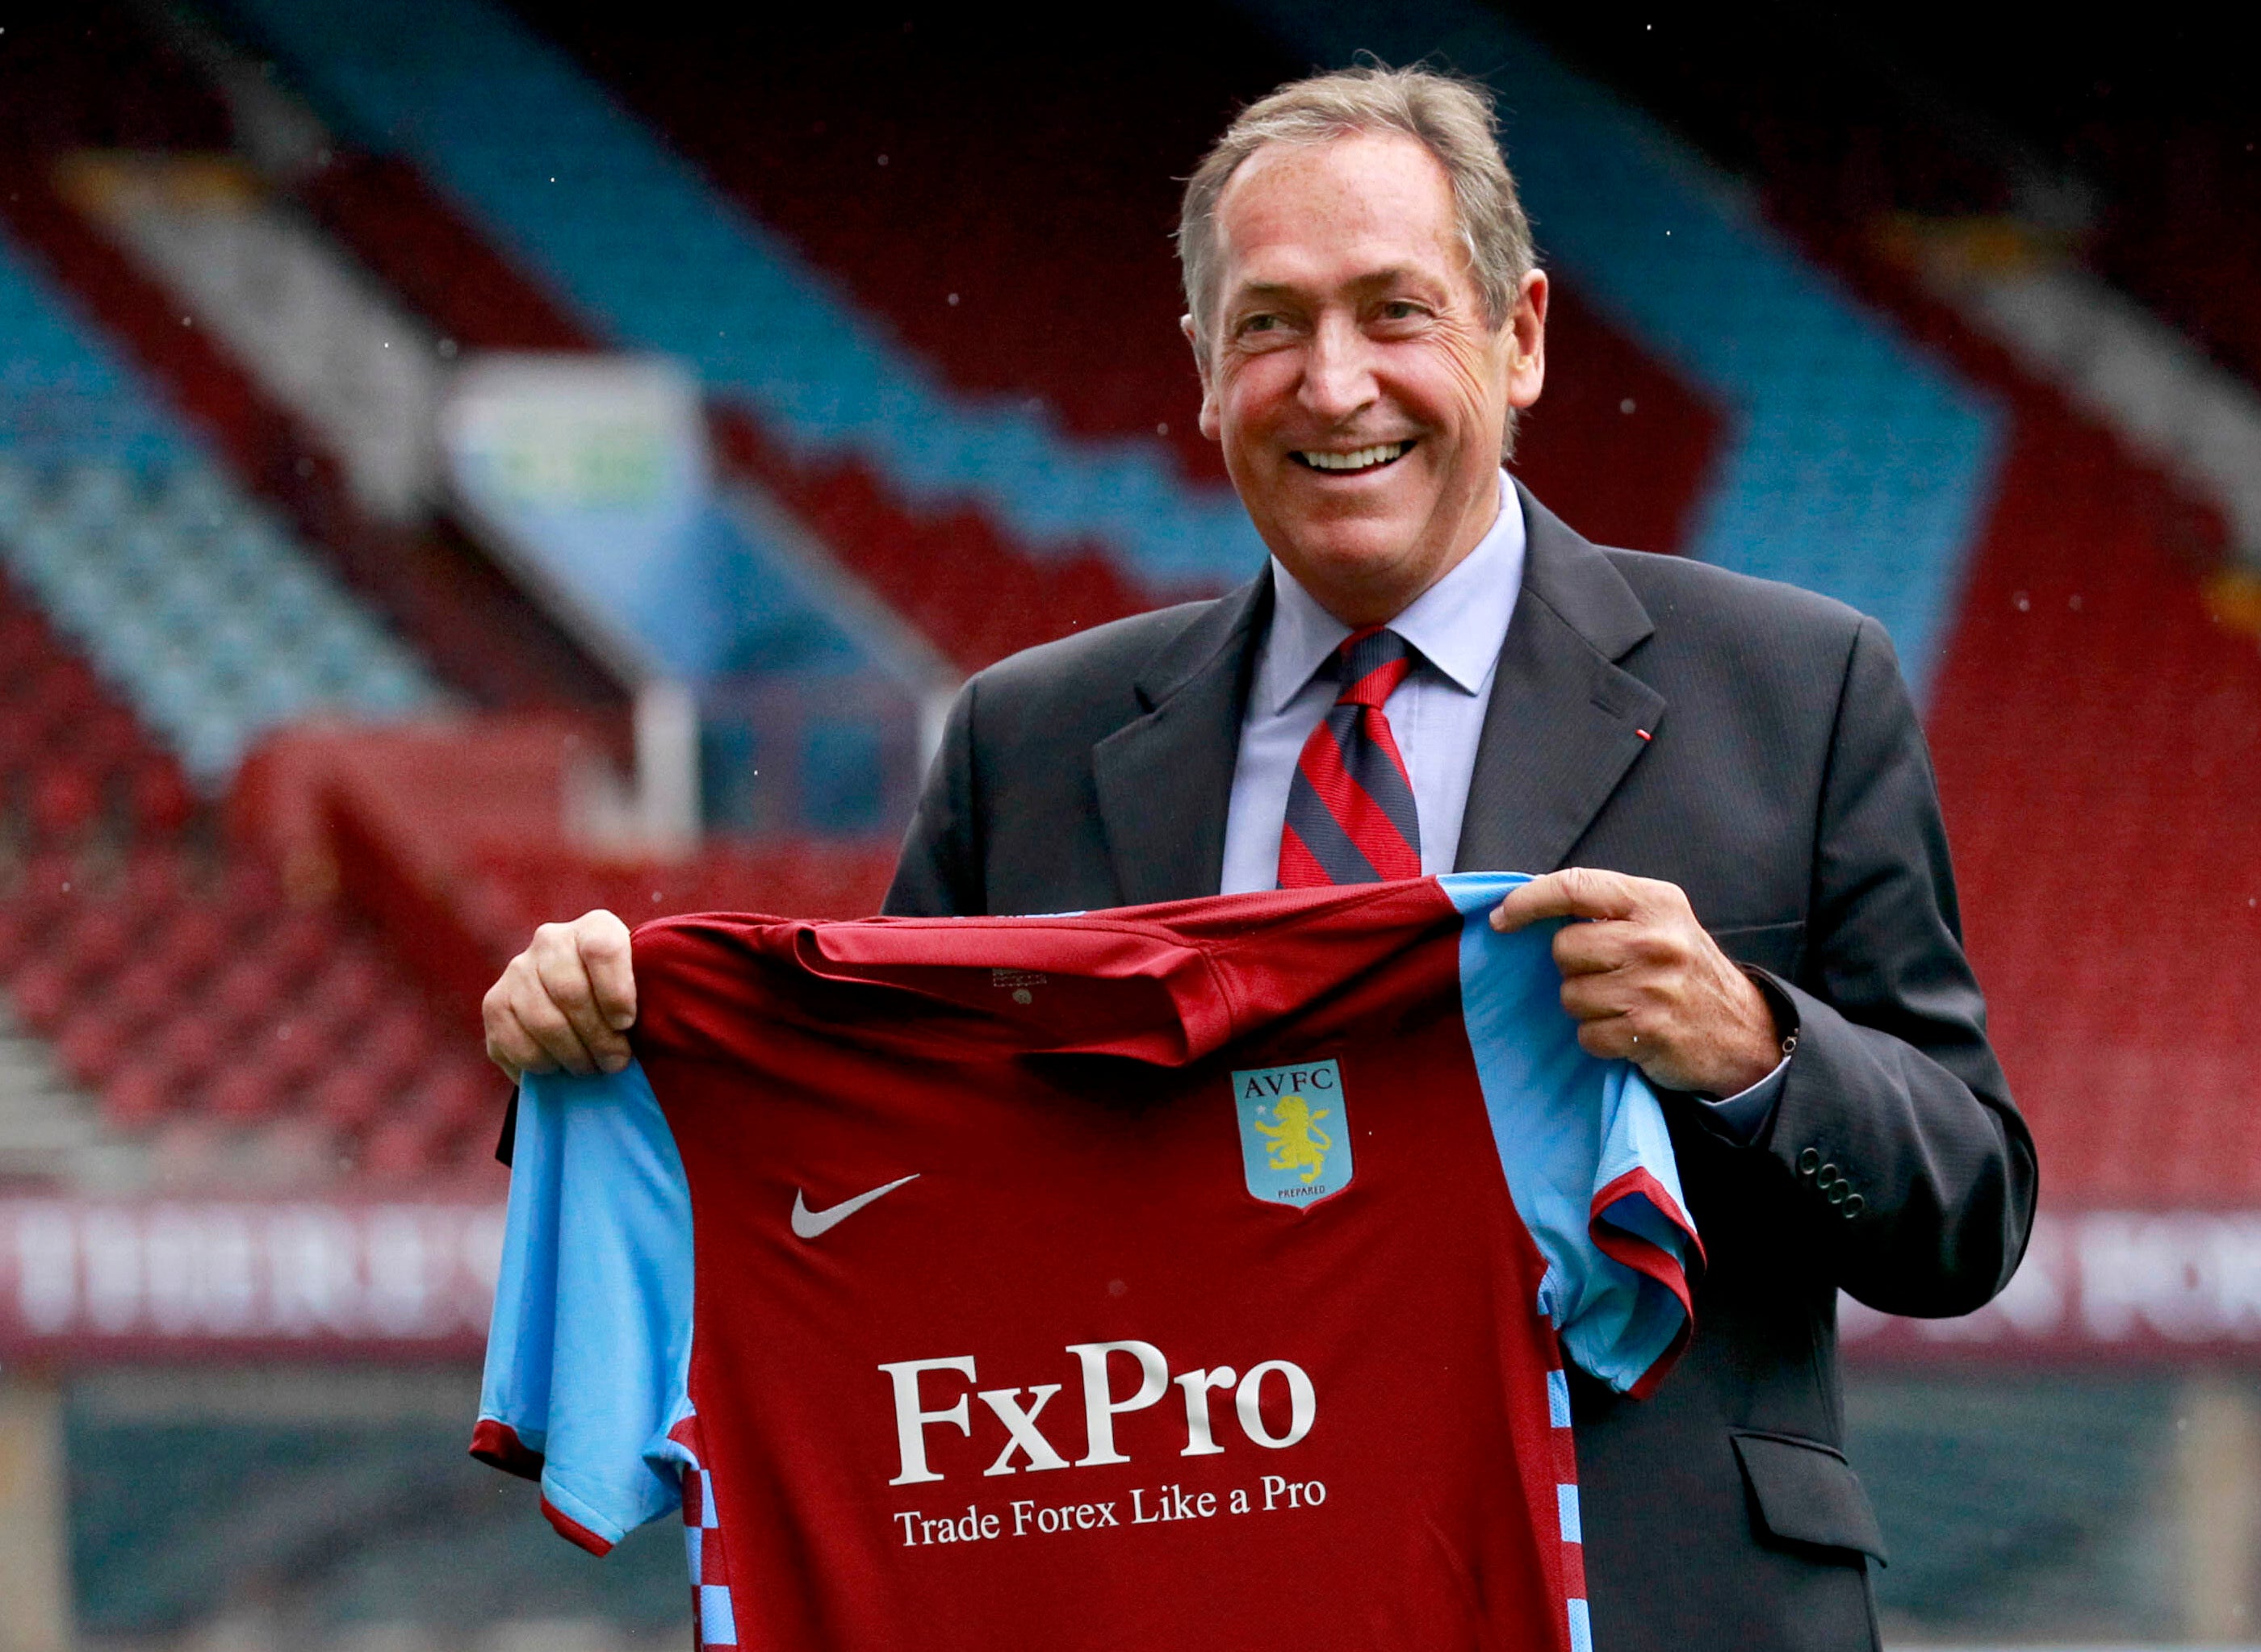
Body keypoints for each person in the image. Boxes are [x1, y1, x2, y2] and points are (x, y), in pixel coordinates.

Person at [482, 65, 2034, 1652]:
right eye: (1273, 324)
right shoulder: (1033, 742)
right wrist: (612, 1050)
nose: (1334, 382)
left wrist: (1754, 1051)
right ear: (1206, 377)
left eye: (1394, 311)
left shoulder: (1790, 686)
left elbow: (1970, 1210)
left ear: (1522, 335)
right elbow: (883, 1196)